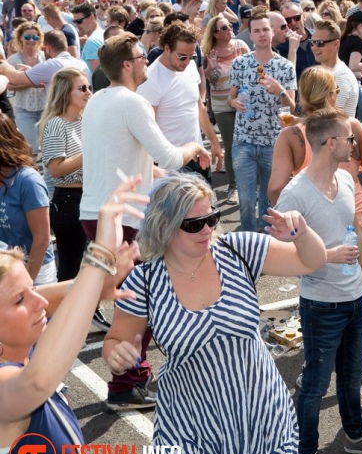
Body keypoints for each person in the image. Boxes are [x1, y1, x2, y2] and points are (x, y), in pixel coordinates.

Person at [103, 172, 326, 454]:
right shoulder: (146, 282)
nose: (207, 229)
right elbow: (114, 341)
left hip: (261, 419)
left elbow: (311, 262)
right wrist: (117, 356)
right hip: (193, 428)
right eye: (194, 224)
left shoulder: (238, 250)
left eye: (212, 217)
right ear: (164, 226)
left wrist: (302, 234)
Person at [80, 32, 209, 410]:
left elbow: (127, 158)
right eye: (140, 55)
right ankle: (124, 385)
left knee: (137, 299)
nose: (145, 59)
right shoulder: (131, 102)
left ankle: (134, 375)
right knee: (139, 304)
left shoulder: (98, 101)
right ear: (127, 64)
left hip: (101, 213)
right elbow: (170, 156)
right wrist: (195, 147)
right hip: (124, 217)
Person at [0, 177, 145, 454]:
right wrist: (100, 254)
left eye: (31, 288)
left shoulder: (23, 346)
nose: (40, 301)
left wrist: (99, 279)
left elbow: (52, 296)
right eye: (20, 299)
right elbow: (36, 383)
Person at [275, 108, 362, 454]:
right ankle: (306, 452)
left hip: (354, 299)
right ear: (331, 143)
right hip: (320, 304)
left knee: (350, 376)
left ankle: (355, 436)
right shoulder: (294, 195)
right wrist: (325, 256)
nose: (354, 143)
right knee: (314, 384)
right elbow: (281, 256)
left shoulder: (345, 179)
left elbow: (355, 233)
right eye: (348, 138)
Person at [268, 66, 362, 223]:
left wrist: (291, 222)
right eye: (337, 90)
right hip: (358, 217)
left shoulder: (289, 136)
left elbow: (275, 189)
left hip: (313, 222)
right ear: (329, 95)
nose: (338, 94)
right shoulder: (352, 127)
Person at [229, 10, 297, 232]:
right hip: (244, 141)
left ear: (272, 31)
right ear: (250, 34)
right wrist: (235, 102)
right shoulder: (239, 63)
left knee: (269, 202)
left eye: (265, 30)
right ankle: (249, 245)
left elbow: (292, 108)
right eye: (256, 31)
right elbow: (231, 98)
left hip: (274, 143)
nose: (261, 35)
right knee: (247, 202)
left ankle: (268, 247)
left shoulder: (285, 66)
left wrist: (280, 92)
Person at [136, 22, 223, 182]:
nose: (187, 61)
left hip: (198, 156)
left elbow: (198, 106)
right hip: (170, 165)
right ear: (167, 48)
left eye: (192, 56)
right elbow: (147, 129)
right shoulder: (151, 80)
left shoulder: (189, 67)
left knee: (207, 207)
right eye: (182, 56)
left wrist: (213, 141)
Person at [39, 68, 91, 284]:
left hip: (86, 198)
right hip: (68, 202)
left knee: (87, 265)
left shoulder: (84, 121)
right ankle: (62, 314)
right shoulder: (55, 125)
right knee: (70, 268)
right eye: (82, 88)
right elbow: (56, 170)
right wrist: (90, 152)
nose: (89, 92)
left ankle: (87, 310)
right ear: (65, 93)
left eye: (89, 87)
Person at [0, 114, 56, 285]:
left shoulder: (28, 181)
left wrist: (26, 282)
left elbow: (42, 240)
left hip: (36, 272)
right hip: (6, 270)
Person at [202, 13, 250, 205]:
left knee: (247, 143)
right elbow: (208, 82)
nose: (229, 29)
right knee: (231, 145)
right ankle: (233, 187)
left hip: (243, 102)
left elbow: (253, 70)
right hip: (222, 105)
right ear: (214, 33)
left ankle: (249, 183)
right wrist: (210, 69)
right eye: (224, 28)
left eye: (230, 26)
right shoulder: (209, 52)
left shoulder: (241, 46)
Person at [5, 22, 47, 156]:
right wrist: (31, 83)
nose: (31, 40)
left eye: (35, 37)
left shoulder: (44, 57)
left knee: (48, 148)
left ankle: (48, 177)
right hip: (24, 109)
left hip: (45, 108)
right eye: (28, 37)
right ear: (20, 38)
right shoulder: (13, 60)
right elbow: (8, 85)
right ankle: (32, 173)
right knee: (31, 148)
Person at [312, 20, 358, 118]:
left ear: (336, 44)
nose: (314, 48)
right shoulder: (328, 72)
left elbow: (329, 119)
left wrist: (296, 121)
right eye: (312, 42)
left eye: (320, 43)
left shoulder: (340, 77)